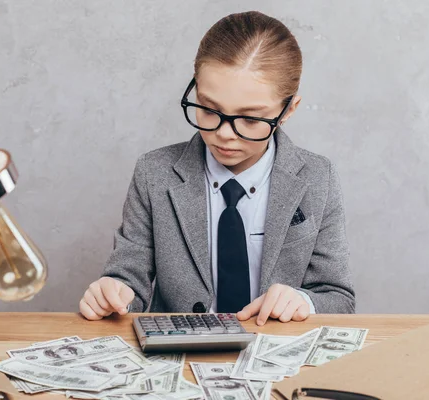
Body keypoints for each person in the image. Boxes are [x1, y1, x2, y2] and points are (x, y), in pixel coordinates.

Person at [80, 11, 355, 325]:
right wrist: (114, 291)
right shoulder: (153, 172)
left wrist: (304, 300)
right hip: (177, 355)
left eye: (250, 119)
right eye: (209, 110)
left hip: (274, 352)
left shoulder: (319, 177)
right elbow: (128, 279)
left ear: (288, 110)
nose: (224, 134)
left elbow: (338, 297)